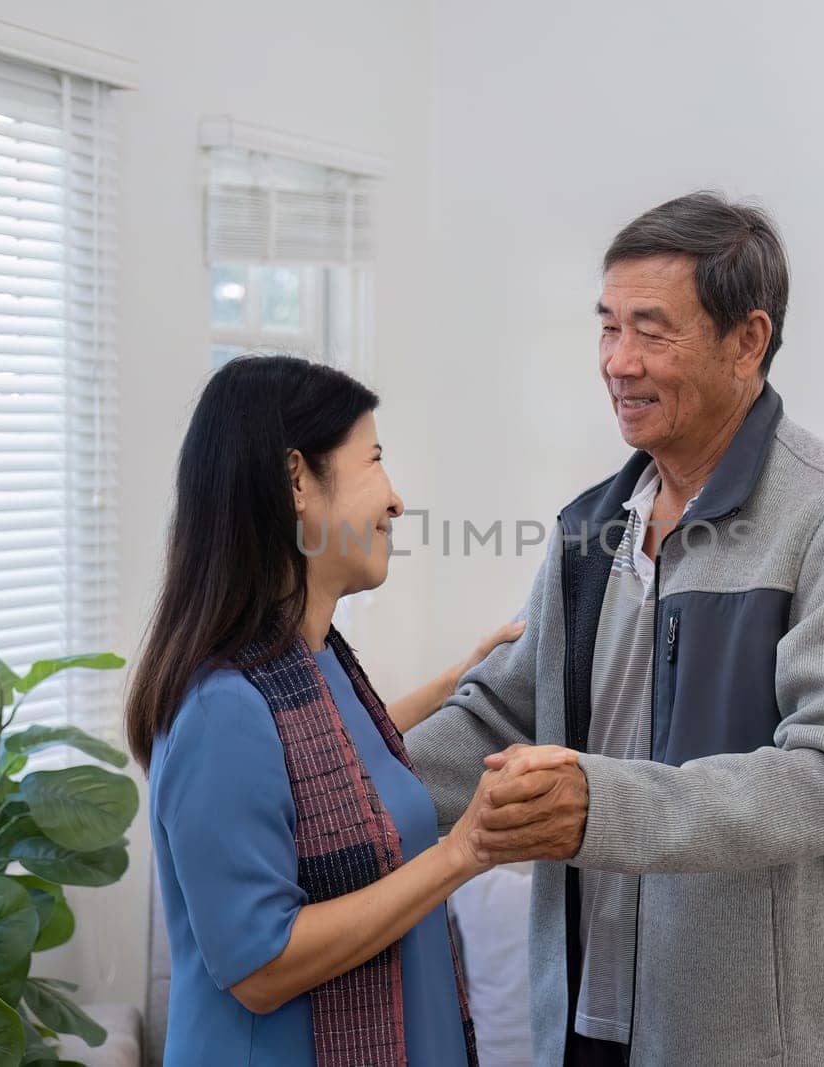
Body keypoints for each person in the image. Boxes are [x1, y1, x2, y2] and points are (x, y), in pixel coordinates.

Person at [407, 192, 824, 1066]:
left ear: (748, 340)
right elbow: (499, 719)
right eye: (607, 327)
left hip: (757, 1040)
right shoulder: (591, 530)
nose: (619, 361)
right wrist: (327, 787)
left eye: (652, 330)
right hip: (582, 1023)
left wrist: (600, 805)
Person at [124, 354, 568, 1066]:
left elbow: (325, 763)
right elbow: (260, 966)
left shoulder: (315, 662)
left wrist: (460, 680)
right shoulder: (217, 710)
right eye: (375, 462)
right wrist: (465, 851)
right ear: (296, 480)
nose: (395, 501)